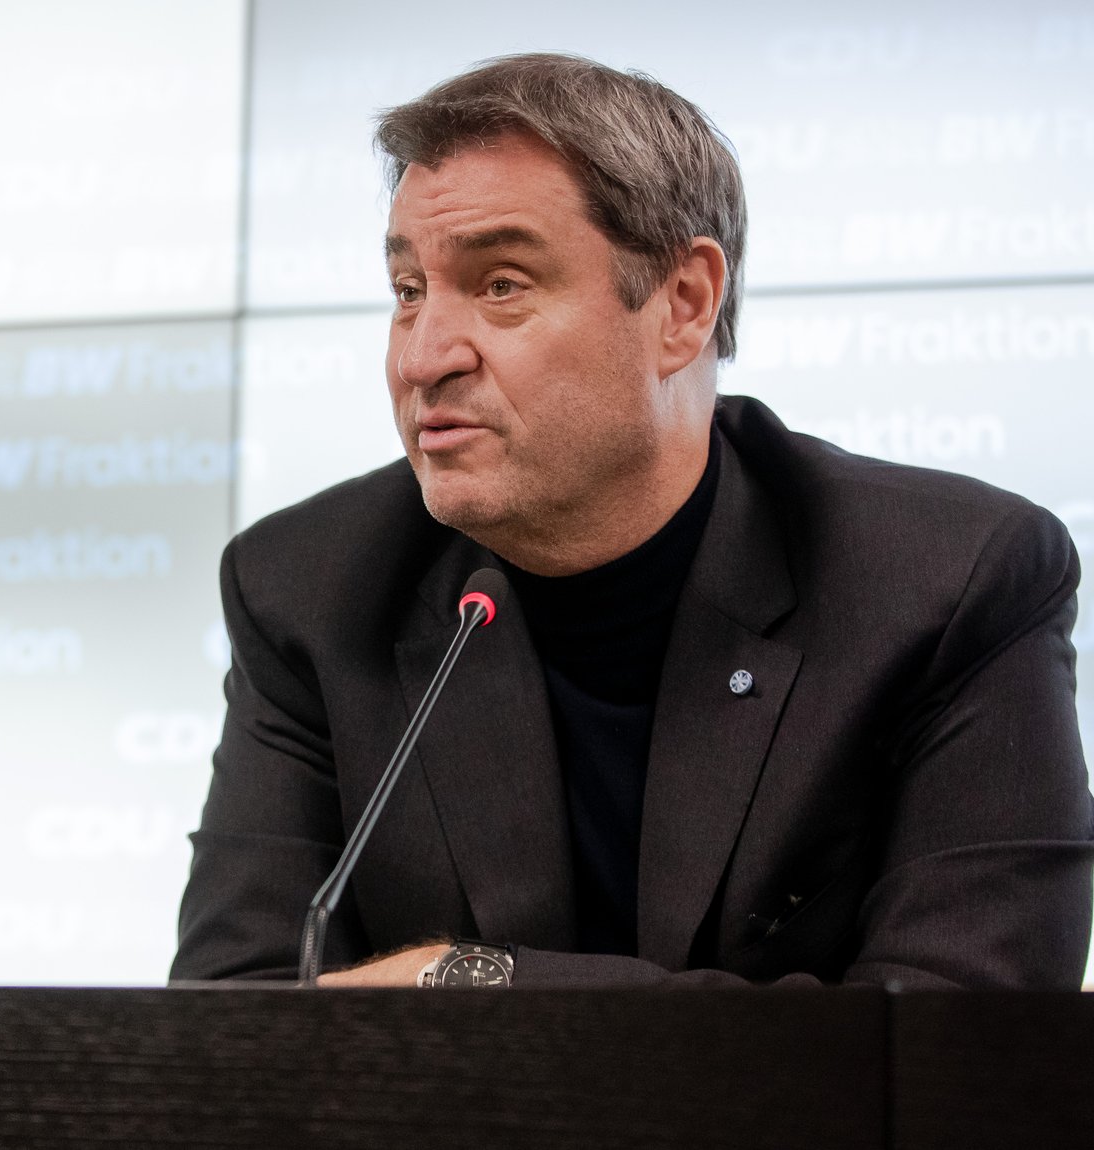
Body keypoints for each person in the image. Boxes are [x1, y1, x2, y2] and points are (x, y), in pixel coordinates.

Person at [173, 54, 1093, 989]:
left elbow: (962, 1051)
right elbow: (232, 1025)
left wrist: (472, 981)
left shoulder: (950, 582)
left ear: (683, 306)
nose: (424, 357)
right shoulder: (310, 589)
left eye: (500, 284)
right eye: (409, 291)